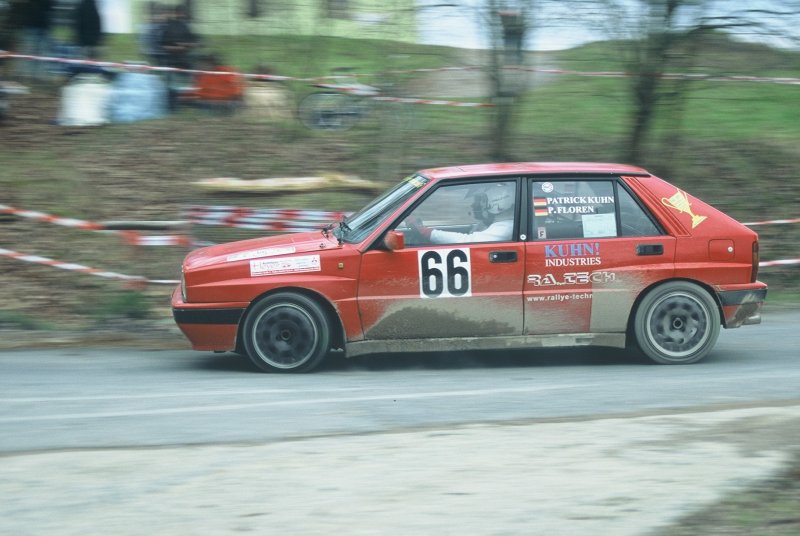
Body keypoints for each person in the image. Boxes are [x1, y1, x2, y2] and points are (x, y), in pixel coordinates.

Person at [407, 182, 515, 244]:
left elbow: (469, 241)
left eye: (478, 201)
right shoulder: (489, 222)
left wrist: (426, 232)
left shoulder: (506, 227)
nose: (473, 205)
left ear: (495, 202)